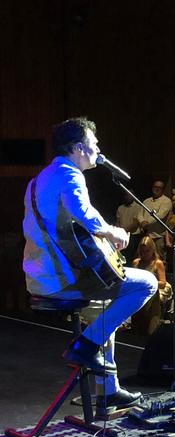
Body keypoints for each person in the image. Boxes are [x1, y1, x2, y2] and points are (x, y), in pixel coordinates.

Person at [24, 117, 157, 415]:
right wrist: (114, 232)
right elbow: (83, 212)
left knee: (103, 315)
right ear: (78, 148)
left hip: (40, 278)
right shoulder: (69, 174)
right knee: (148, 283)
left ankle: (108, 392)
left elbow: (64, 229)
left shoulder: (39, 180)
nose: (98, 149)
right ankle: (84, 347)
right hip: (62, 280)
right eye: (94, 144)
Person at [131, 236, 171, 336]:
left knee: (150, 333)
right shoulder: (136, 263)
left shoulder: (157, 264)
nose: (145, 254)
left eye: (147, 251)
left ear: (153, 250)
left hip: (152, 302)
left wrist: (148, 282)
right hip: (137, 301)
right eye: (142, 251)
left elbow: (163, 283)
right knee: (136, 332)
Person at [140, 179, 172, 261]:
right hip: (146, 235)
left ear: (163, 189)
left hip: (158, 237)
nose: (157, 189)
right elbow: (140, 214)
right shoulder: (146, 201)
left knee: (159, 260)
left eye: (159, 187)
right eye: (155, 187)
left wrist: (147, 223)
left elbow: (160, 215)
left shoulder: (166, 201)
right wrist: (142, 222)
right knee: (145, 259)